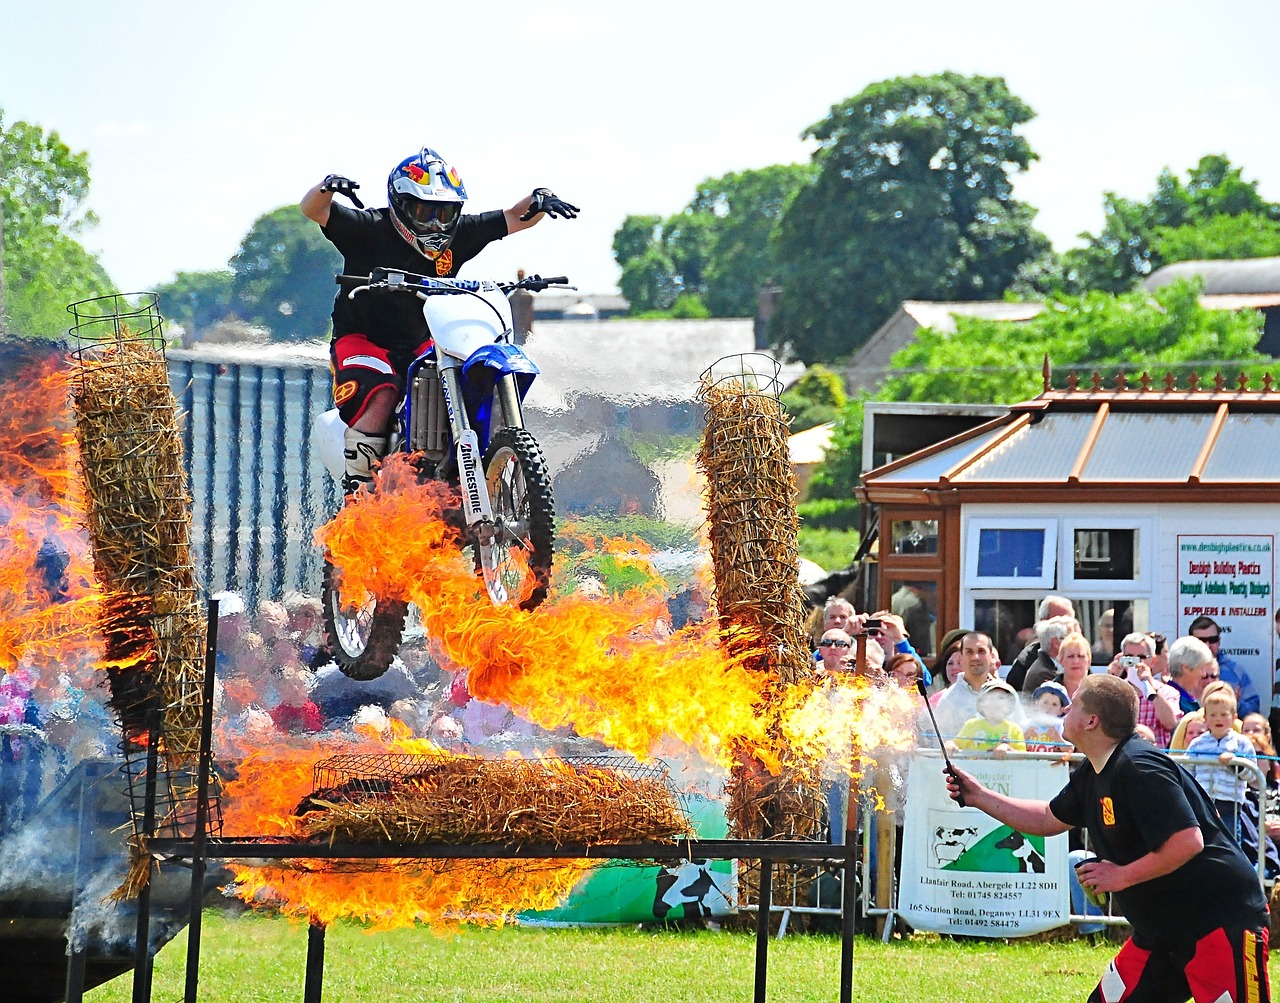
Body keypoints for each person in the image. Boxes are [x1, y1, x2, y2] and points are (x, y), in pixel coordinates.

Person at [946, 674, 1271, 1003]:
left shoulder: (1140, 767)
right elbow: (1046, 818)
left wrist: (1119, 875)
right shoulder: (1094, 770)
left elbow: (1188, 841)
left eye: (1074, 703)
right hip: (1160, 932)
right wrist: (978, 796)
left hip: (1217, 923)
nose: (1066, 708)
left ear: (1091, 721)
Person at [301, 147, 578, 494]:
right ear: (401, 205)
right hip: (362, 339)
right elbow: (313, 209)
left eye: (445, 213)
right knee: (382, 394)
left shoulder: (461, 233)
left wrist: (540, 197)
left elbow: (514, 216)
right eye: (424, 211)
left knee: (467, 376)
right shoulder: (369, 227)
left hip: (423, 340)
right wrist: (327, 187)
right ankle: (359, 495)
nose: (436, 223)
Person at [1185, 685, 1257, 840]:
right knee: (1203, 842)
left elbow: (1252, 775)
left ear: (1234, 716)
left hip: (1230, 804)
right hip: (1202, 803)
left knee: (1229, 842)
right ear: (1205, 718)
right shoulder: (1197, 744)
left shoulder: (1242, 743)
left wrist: (1234, 763)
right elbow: (1187, 771)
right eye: (1213, 714)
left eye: (1224, 714)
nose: (1218, 719)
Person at [924, 631, 1001, 749]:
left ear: (991, 656)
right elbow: (940, 748)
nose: (975, 657)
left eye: (981, 651)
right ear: (962, 656)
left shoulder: (1006, 693)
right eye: (969, 652)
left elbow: (1019, 741)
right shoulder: (948, 700)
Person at [1107, 632, 1182, 748]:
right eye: (1130, 657)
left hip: (1153, 758)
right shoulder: (1115, 690)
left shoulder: (1168, 692)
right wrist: (1111, 680)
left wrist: (1151, 686)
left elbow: (1171, 723)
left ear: (1152, 661)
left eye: (1141, 657)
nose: (1136, 662)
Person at [1190, 615, 1261, 718]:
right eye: (1201, 641)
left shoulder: (1236, 671)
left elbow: (1254, 711)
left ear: (1219, 640)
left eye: (1212, 639)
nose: (1207, 645)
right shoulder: (1184, 670)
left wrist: (1235, 704)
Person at [1006, 595, 1076, 691]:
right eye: (1059, 621)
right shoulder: (1027, 662)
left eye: (1068, 621)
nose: (1066, 627)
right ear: (1044, 622)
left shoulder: (1079, 659)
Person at [954, 679, 1026, 755]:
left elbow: (1022, 757)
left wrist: (1007, 748)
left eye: (1001, 698)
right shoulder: (972, 725)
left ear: (1010, 706)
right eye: (991, 698)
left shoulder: (1014, 729)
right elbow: (956, 745)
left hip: (1004, 767)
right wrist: (949, 745)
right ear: (981, 705)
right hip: (975, 766)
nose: (996, 702)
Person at [1019, 615, 1078, 694]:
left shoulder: (1053, 667)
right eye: (1071, 638)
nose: (1078, 643)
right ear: (1056, 643)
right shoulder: (1042, 674)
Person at [1166, 635, 1220, 714]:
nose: (1203, 674)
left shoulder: (1186, 700)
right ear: (1185, 668)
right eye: (1201, 668)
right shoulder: (1173, 700)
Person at [1024, 680, 1071, 753]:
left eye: (1054, 704)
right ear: (1036, 704)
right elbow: (1013, 746)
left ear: (1061, 710)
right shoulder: (1026, 724)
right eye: (1045, 702)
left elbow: (1070, 750)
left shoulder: (1062, 727)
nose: (1049, 707)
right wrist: (1025, 736)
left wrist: (1058, 739)